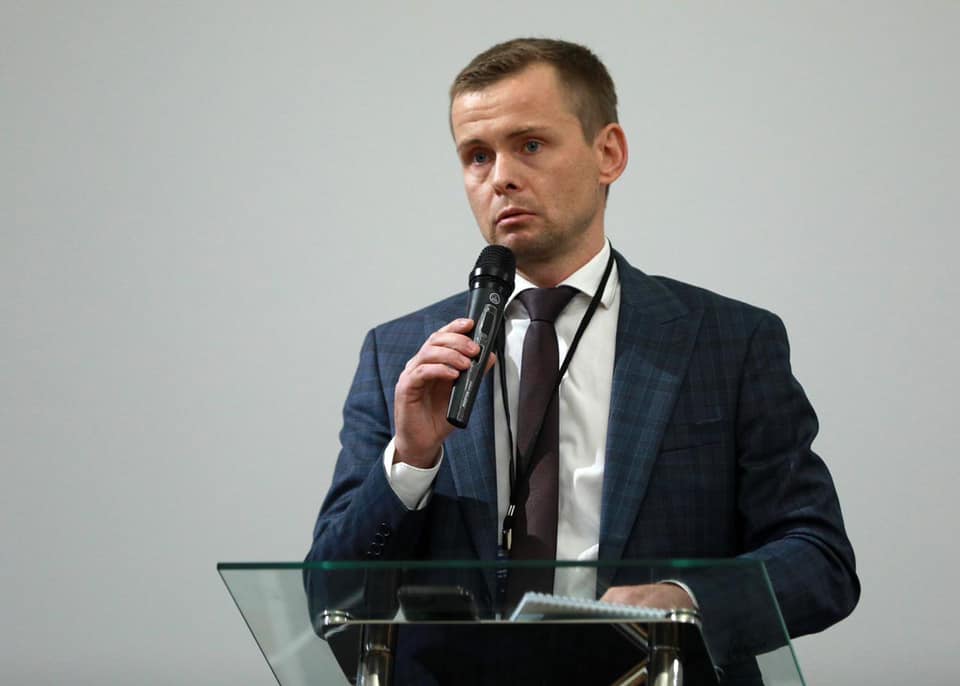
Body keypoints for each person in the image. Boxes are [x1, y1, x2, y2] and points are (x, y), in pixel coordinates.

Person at [306, 38, 859, 683]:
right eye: (477, 156)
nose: (500, 177)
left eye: (530, 145)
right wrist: (410, 463)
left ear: (608, 154)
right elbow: (330, 598)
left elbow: (819, 559)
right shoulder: (399, 355)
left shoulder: (728, 342)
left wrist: (684, 603)